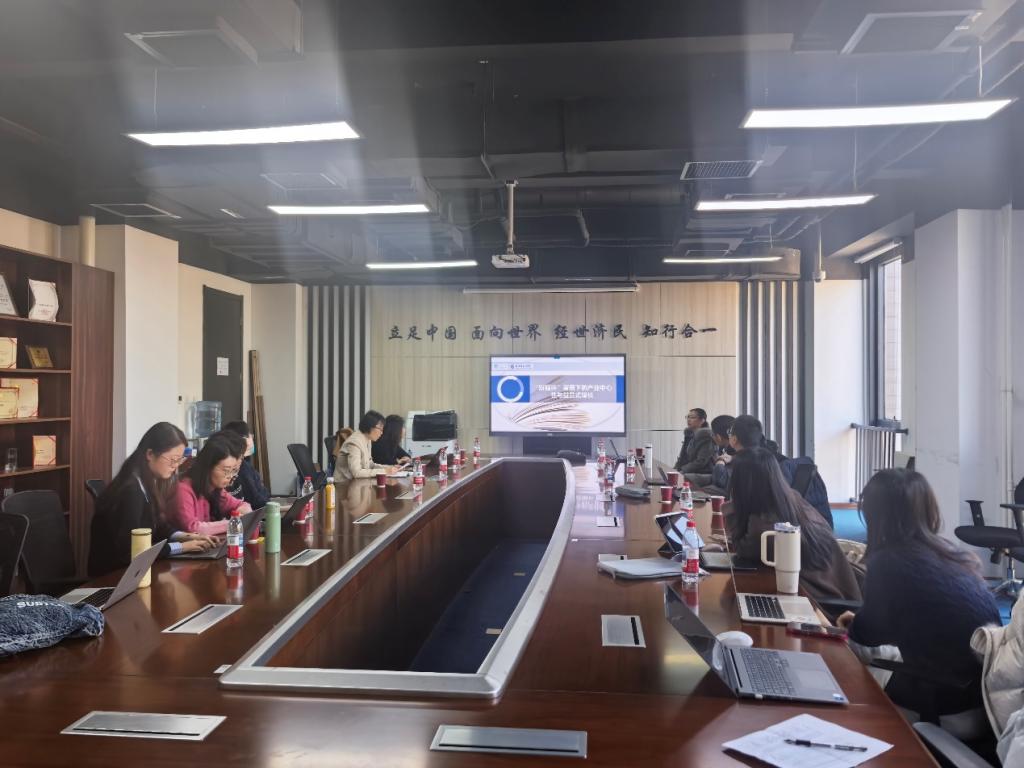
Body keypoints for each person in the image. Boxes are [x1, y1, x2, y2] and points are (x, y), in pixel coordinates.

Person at [837, 469, 1000, 717]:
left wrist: (854, 625)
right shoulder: (952, 553)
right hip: (985, 694)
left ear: (874, 514)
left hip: (948, 699)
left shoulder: (889, 561)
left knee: (842, 660)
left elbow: (868, 635)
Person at [723, 447, 860, 604]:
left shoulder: (762, 529)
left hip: (819, 603)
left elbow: (740, 549)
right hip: (838, 589)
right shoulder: (792, 498)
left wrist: (735, 505)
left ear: (742, 485)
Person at [88, 423, 217, 577]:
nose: (175, 467)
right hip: (113, 576)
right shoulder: (130, 490)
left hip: (134, 571)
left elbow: (157, 525)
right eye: (172, 460)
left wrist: (186, 536)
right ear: (150, 454)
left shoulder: (145, 482)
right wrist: (182, 547)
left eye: (179, 460)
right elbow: (132, 549)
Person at [171, 434, 252, 535]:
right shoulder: (183, 489)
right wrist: (233, 523)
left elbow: (242, 505)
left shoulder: (215, 489)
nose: (230, 476)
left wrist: (241, 513)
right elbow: (192, 528)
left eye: (233, 471)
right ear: (208, 467)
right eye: (226, 471)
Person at [334, 410, 399, 482]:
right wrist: (384, 471)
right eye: (380, 429)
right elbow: (356, 472)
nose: (381, 433)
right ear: (370, 426)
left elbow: (370, 464)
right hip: (344, 484)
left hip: (357, 482)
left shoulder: (367, 439)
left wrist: (390, 467)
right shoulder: (354, 442)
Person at [220, 420, 271, 509]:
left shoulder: (245, 465)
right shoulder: (242, 470)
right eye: (249, 436)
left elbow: (264, 493)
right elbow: (257, 501)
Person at [684, 414, 733, 488]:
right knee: (687, 478)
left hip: (723, 482)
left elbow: (719, 480)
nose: (689, 420)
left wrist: (720, 462)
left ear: (718, 437)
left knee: (690, 482)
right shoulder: (726, 446)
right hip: (717, 475)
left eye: (713, 433)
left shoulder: (733, 451)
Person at [674, 408, 715, 476]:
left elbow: (700, 462)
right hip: (688, 471)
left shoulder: (706, 436)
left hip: (702, 473)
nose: (688, 419)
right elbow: (682, 457)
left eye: (692, 417)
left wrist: (682, 471)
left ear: (702, 420)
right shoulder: (689, 435)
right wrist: (675, 469)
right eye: (688, 417)